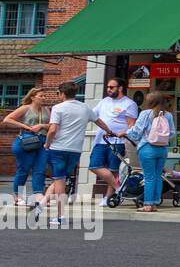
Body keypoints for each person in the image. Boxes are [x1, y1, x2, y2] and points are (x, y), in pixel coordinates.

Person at [32, 81, 113, 227]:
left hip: (58, 148)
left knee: (59, 180)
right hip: (75, 150)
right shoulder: (85, 107)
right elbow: (99, 121)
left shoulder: (58, 108)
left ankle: (60, 216)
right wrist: (108, 131)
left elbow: (52, 130)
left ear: (62, 93)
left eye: (58, 93)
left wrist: (47, 144)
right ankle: (41, 205)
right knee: (60, 180)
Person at [89, 78, 138, 206]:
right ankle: (119, 189)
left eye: (112, 87)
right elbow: (92, 115)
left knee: (113, 170)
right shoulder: (104, 101)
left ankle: (108, 197)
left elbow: (131, 125)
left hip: (118, 141)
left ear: (120, 88)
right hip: (101, 140)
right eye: (108, 87)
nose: (108, 89)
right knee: (94, 165)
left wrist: (124, 135)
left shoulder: (129, 104)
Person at [124, 91, 174, 214]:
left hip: (147, 148)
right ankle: (155, 202)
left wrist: (126, 132)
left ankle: (147, 204)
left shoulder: (146, 114)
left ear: (150, 102)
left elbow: (136, 132)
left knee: (149, 177)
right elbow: (172, 133)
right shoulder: (168, 115)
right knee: (157, 176)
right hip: (162, 149)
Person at [4, 87, 51, 206]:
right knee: (23, 170)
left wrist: (42, 125)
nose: (43, 98)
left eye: (44, 96)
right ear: (33, 97)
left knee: (40, 169)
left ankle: (38, 195)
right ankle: (18, 197)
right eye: (41, 96)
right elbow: (7, 119)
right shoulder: (25, 108)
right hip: (26, 141)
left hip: (42, 142)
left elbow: (51, 125)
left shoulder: (46, 110)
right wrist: (26, 126)